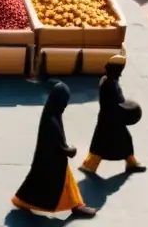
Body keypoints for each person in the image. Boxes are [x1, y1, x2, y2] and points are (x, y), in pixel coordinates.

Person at [12, 83, 98, 219]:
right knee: (51, 186)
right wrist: (71, 150)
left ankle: (77, 206)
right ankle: (76, 207)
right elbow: (59, 145)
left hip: (50, 160)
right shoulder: (52, 120)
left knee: (56, 183)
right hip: (52, 163)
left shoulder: (51, 113)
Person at [80, 56, 146, 175]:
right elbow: (112, 104)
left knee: (124, 141)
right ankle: (89, 165)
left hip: (114, 119)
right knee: (100, 145)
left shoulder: (111, 80)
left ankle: (131, 163)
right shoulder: (109, 84)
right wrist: (127, 111)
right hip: (109, 120)